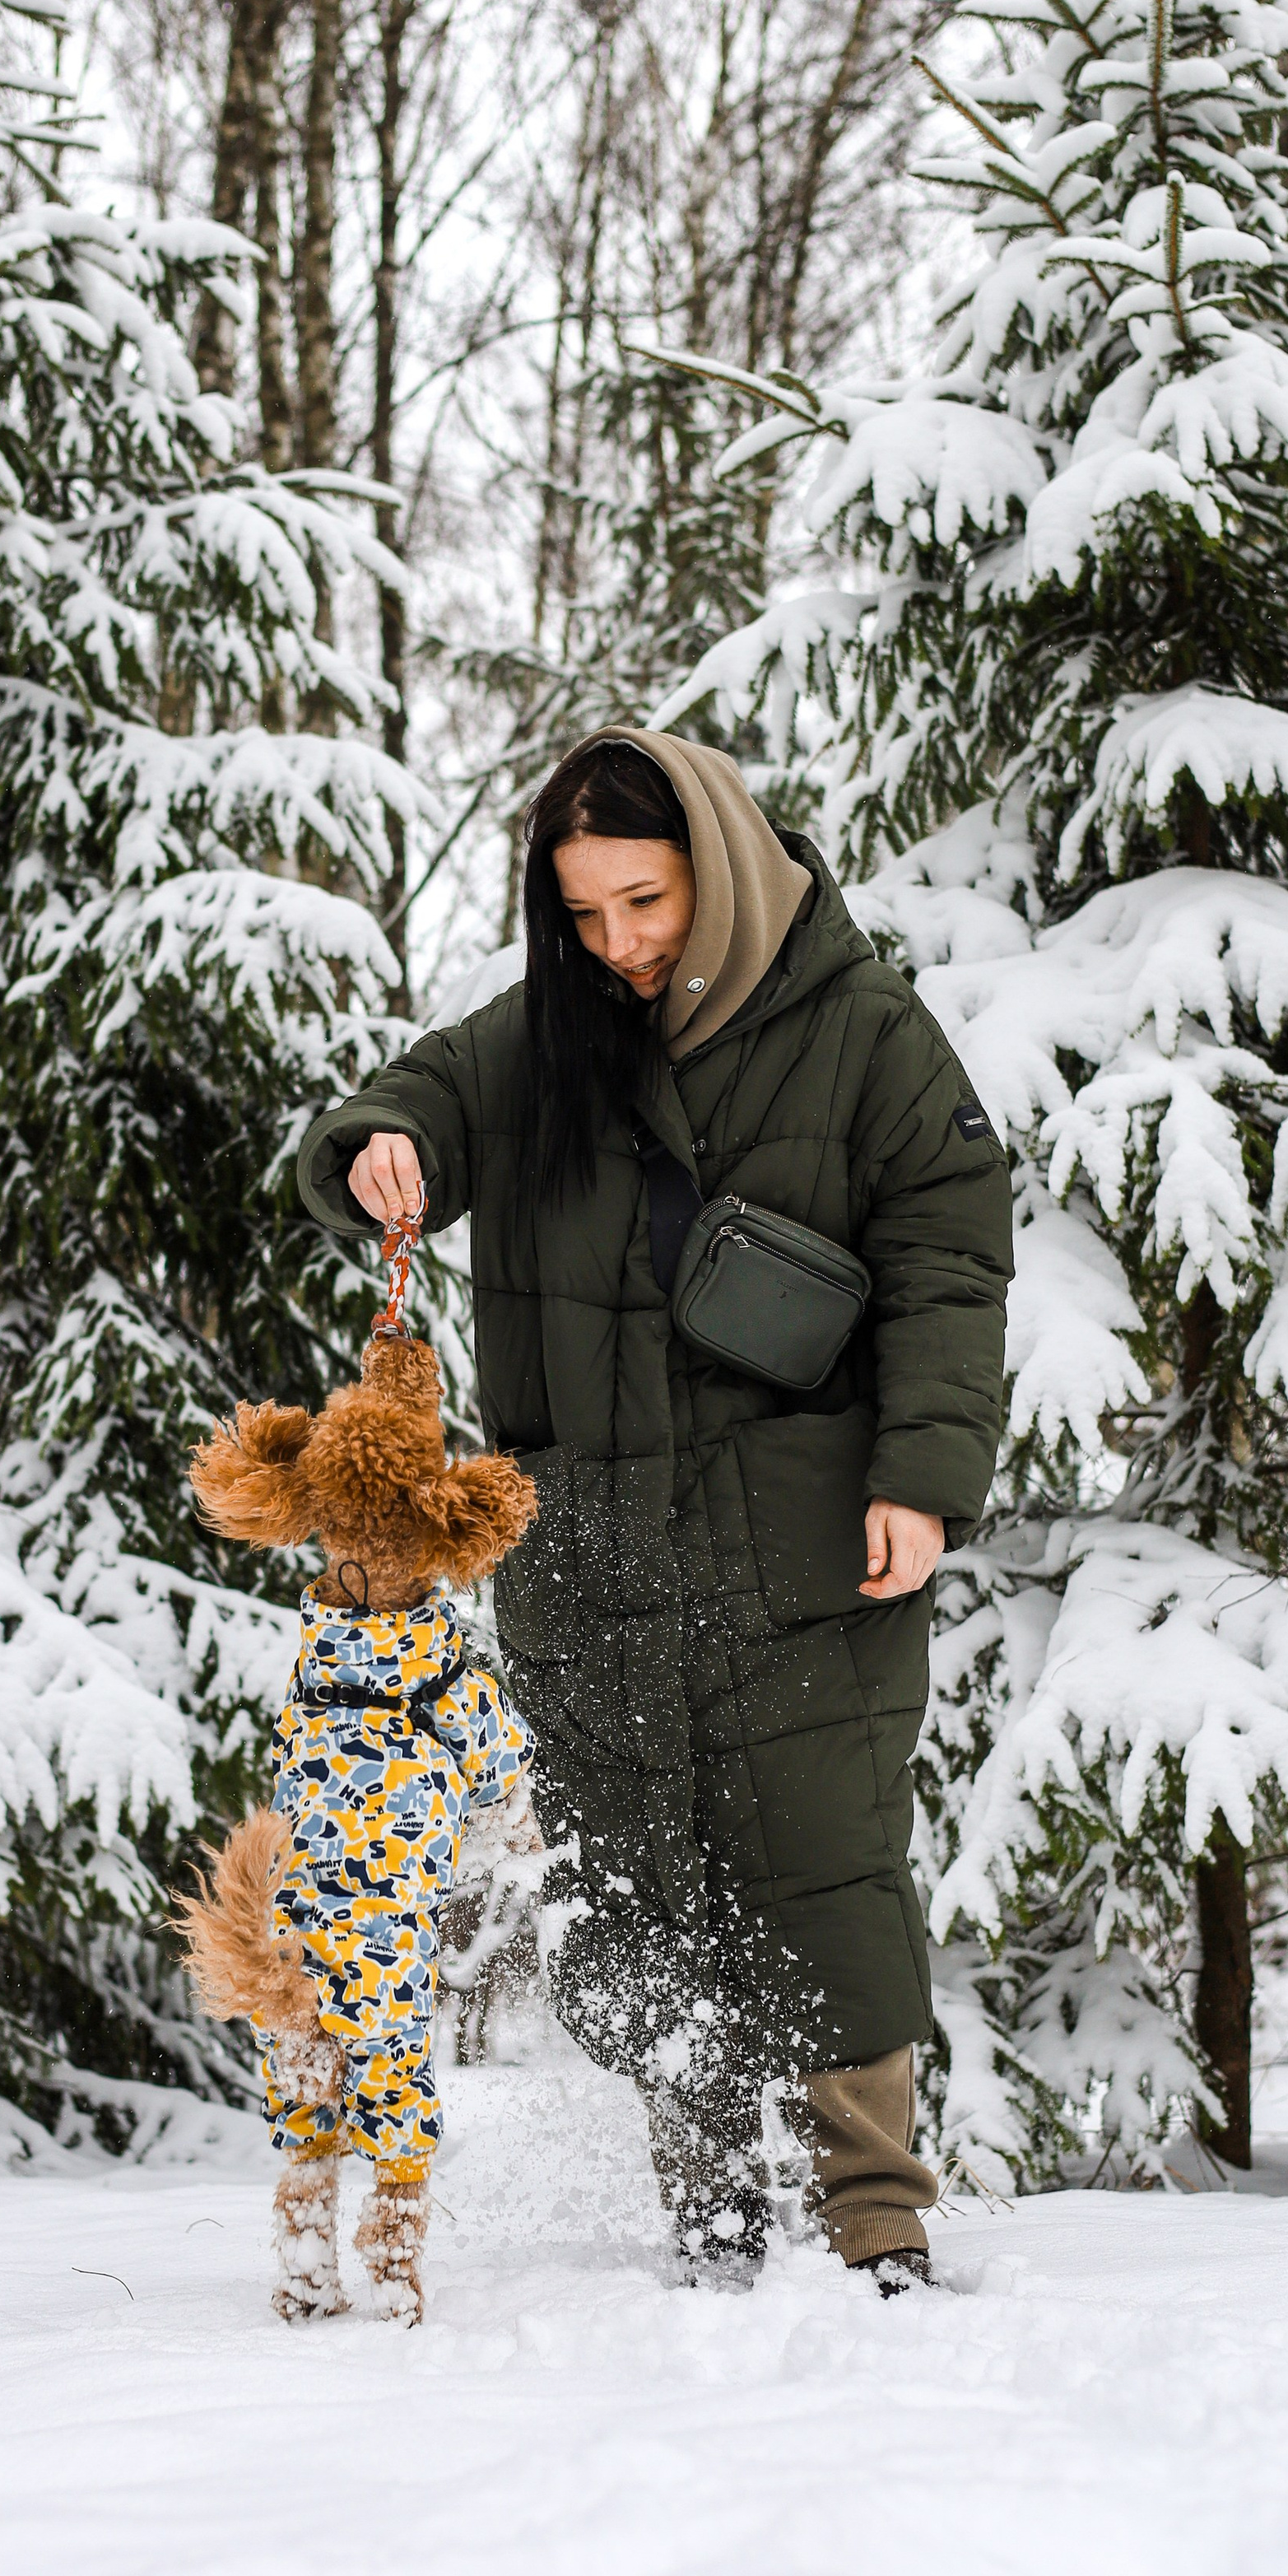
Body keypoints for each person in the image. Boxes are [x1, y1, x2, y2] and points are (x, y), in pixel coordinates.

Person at [295, 726, 1011, 2290]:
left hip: (809, 1537)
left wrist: (923, 1477)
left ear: (720, 865)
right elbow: (392, 1105)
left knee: (823, 1860)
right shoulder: (542, 1036)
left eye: (646, 900)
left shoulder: (864, 1028)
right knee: (641, 1874)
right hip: (596, 1548)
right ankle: (708, 2208)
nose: (619, 943)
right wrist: (380, 1150)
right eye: (585, 914)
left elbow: (953, 1247)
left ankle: (875, 2214)